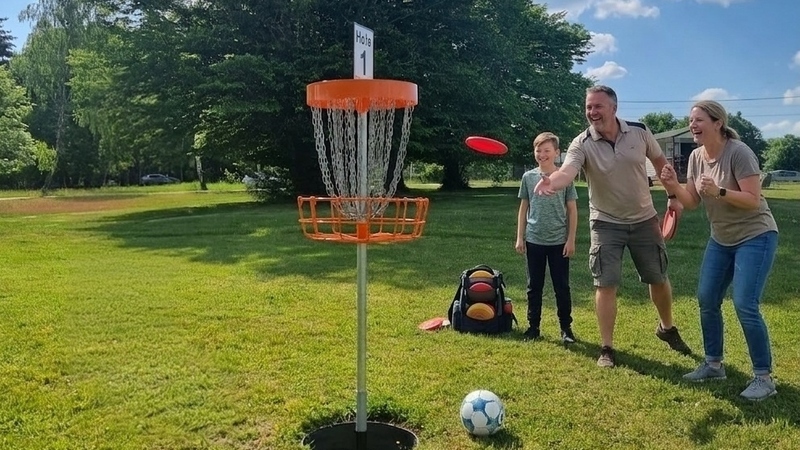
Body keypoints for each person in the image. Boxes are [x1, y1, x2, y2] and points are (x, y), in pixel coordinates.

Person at [534, 85, 691, 368]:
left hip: (644, 219)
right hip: (605, 222)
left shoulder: (640, 132)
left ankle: (667, 328)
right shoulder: (582, 142)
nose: (592, 112)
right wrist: (552, 182)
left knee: (658, 277)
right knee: (605, 284)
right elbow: (567, 172)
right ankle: (606, 347)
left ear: (614, 108)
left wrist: (672, 196)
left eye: (598, 106)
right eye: (588, 107)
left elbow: (660, 162)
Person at [660, 100, 779, 401]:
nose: (692, 125)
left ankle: (764, 378)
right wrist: (674, 186)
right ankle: (714, 365)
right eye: (691, 120)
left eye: (699, 120)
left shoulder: (739, 153)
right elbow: (692, 202)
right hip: (721, 239)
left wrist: (720, 191)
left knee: (745, 303)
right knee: (707, 298)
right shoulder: (696, 156)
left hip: (756, 235)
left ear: (718, 123)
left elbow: (753, 199)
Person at [515, 132, 578, 344]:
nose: (542, 154)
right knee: (534, 286)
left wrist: (571, 239)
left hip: (559, 242)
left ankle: (566, 329)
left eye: (547, 150)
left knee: (562, 287)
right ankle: (533, 327)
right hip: (534, 240)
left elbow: (572, 210)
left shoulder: (564, 178)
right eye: (538, 150)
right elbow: (523, 208)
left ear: (557, 153)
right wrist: (520, 237)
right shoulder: (528, 177)